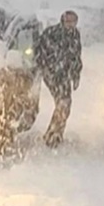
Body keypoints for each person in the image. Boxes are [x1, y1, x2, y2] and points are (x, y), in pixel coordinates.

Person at [33, 10, 83, 148]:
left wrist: (76, 74)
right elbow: (39, 51)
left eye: (73, 21)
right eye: (68, 21)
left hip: (65, 75)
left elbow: (76, 56)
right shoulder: (52, 33)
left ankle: (56, 133)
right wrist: (45, 68)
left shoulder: (75, 35)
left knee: (65, 104)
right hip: (52, 74)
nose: (70, 24)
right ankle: (53, 135)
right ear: (63, 20)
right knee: (63, 102)